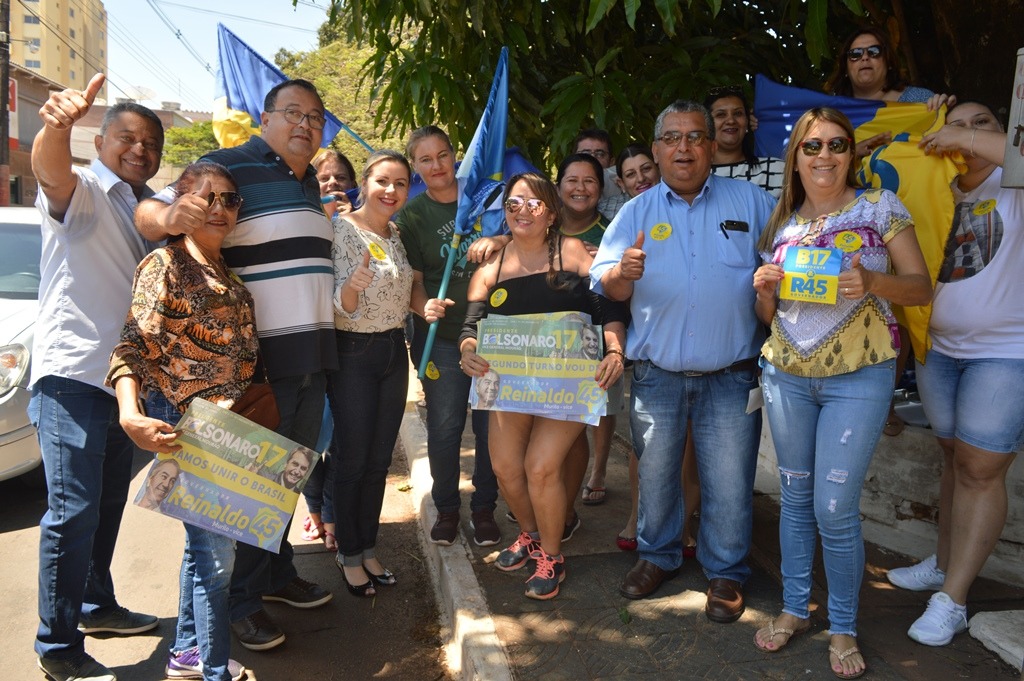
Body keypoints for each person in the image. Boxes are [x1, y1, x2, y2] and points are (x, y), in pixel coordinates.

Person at [135, 78, 334, 652]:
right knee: (244, 493)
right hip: (255, 368)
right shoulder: (231, 167)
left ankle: (274, 573)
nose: (304, 124)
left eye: (315, 117)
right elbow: (153, 210)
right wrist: (167, 217)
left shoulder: (309, 183)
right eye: (292, 112)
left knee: (286, 480)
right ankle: (240, 605)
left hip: (311, 359)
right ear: (264, 119)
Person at [751, 107, 931, 680]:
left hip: (860, 374)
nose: (824, 155)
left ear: (852, 152)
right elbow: (771, 316)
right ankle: (793, 607)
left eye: (836, 144)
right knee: (795, 497)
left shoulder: (881, 207)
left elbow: (921, 287)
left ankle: (844, 624)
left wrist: (874, 281)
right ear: (796, 157)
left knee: (833, 506)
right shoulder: (781, 224)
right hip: (787, 375)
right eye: (812, 146)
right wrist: (763, 291)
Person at [591, 100, 775, 623]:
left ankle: (726, 571)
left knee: (730, 481)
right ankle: (658, 556)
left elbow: (780, 266)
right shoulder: (636, 212)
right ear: (656, 150)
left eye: (695, 137)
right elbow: (605, 285)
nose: (684, 148)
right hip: (658, 375)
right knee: (656, 474)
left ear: (712, 146)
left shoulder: (752, 202)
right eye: (671, 138)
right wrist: (623, 273)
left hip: (732, 374)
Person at [28, 72, 161, 681]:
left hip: (123, 383)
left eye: (150, 143)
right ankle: (56, 647)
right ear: (100, 142)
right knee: (73, 511)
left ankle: (96, 607)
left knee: (105, 505)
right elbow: (49, 171)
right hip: (73, 377)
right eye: (127, 138)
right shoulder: (83, 190)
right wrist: (56, 128)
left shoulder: (144, 205)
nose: (139, 149)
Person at [109, 161, 255, 681]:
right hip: (187, 423)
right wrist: (130, 412)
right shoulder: (165, 264)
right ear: (181, 202)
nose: (219, 208)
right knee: (217, 562)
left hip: (228, 429)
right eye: (206, 197)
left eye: (230, 199)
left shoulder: (227, 274)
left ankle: (187, 653)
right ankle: (214, 671)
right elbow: (131, 345)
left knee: (203, 550)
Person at [885, 102, 1023, 647]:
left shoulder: (1014, 184)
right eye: (958, 122)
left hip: (1005, 352)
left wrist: (958, 134)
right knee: (954, 458)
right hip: (937, 348)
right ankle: (944, 563)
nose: (968, 132)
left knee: (980, 468)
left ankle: (954, 599)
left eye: (981, 123)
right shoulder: (935, 184)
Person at [459, 172, 627, 600]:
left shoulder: (573, 252)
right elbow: (471, 327)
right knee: (505, 468)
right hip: (509, 386)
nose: (523, 211)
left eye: (534, 204)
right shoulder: (492, 265)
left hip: (568, 385)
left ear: (551, 213)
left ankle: (552, 557)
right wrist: (467, 350)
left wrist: (614, 350)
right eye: (513, 204)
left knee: (540, 467)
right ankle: (531, 535)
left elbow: (608, 308)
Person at [395, 125, 503, 547]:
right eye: (425, 159)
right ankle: (447, 508)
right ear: (415, 167)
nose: (436, 165)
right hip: (440, 339)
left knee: (492, 430)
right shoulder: (412, 215)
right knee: (444, 429)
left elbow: (528, 234)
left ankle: (484, 508)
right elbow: (415, 281)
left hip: (495, 335)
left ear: (455, 155)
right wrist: (423, 306)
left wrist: (499, 238)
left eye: (442, 155)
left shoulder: (486, 197)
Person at [329, 149, 413, 598]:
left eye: (400, 183)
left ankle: (367, 547)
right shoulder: (340, 229)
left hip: (393, 351)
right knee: (352, 458)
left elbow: (403, 291)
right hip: (354, 352)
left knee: (379, 461)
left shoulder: (395, 233)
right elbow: (335, 303)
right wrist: (351, 288)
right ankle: (348, 554)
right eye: (383, 180)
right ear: (364, 183)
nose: (391, 190)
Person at [556, 152, 620, 509]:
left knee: (600, 410)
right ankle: (552, 497)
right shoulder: (543, 226)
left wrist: (610, 265)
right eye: (572, 180)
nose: (580, 188)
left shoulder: (613, 232)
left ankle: (597, 471)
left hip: (600, 341)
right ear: (558, 187)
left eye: (589, 181)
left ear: (601, 188)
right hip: (549, 348)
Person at [704, 86, 785, 196]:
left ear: (747, 122)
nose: (731, 121)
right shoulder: (694, 176)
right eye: (721, 114)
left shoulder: (777, 169)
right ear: (706, 125)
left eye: (738, 113)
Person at [574, 128, 627, 220]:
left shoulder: (623, 182)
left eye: (600, 154)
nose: (592, 158)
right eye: (585, 153)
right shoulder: (563, 188)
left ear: (611, 161)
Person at [315, 149, 357, 215]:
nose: (332, 182)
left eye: (341, 178)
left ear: (353, 184)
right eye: (324, 179)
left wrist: (353, 217)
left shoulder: (370, 212)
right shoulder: (303, 215)